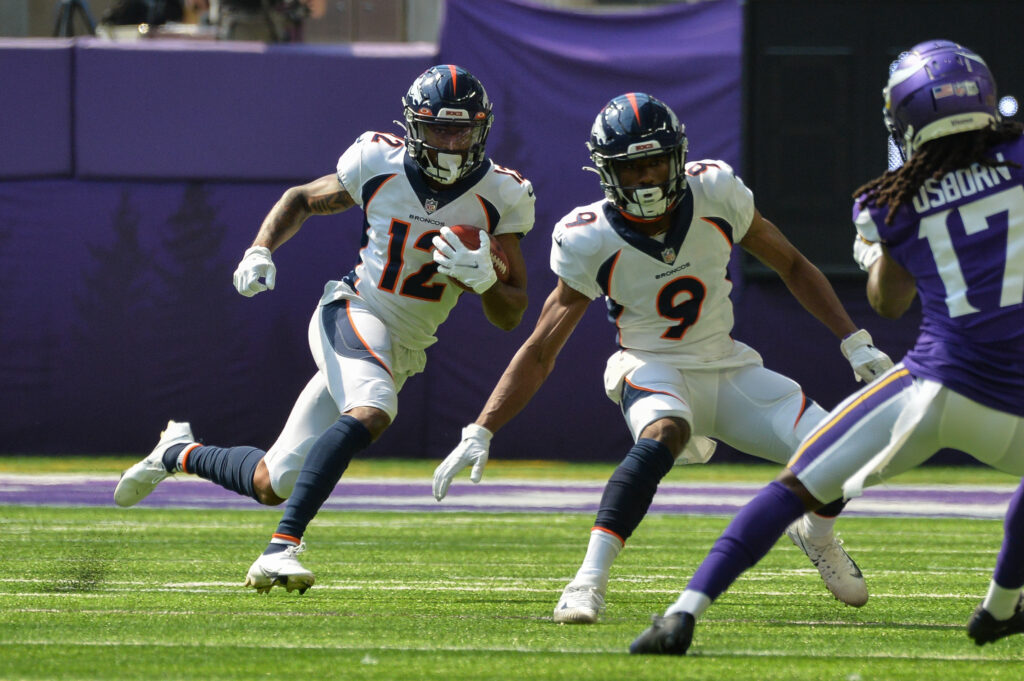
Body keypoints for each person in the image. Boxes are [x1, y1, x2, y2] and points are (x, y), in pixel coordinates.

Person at [432, 92, 893, 624]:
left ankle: (815, 533)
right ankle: (587, 582)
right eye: (631, 168)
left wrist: (853, 339)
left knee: (844, 453)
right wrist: (482, 428)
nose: (647, 179)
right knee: (665, 432)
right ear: (607, 172)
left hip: (729, 366)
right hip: (650, 366)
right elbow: (541, 347)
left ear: (678, 157)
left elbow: (791, 263)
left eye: (655, 162)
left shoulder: (717, 191)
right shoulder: (590, 236)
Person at [629, 39, 1024, 656]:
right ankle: (1000, 604)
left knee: (795, 486)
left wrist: (878, 255)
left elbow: (889, 303)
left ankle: (683, 612)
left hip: (930, 386)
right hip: (1014, 404)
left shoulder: (894, 199)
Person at [113, 64, 535, 593]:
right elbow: (300, 199)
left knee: (273, 480)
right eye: (437, 129)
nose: (450, 144)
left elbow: (511, 313)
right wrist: (260, 248)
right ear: (411, 127)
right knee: (374, 409)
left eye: (461, 130)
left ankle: (176, 451)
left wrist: (485, 282)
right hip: (354, 309)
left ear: (481, 130)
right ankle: (280, 548)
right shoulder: (379, 163)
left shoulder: (502, 195)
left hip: (403, 347)